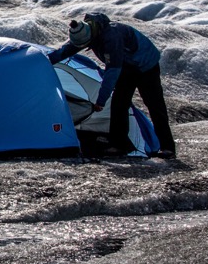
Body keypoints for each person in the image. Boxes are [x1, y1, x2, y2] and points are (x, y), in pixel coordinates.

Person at [48, 12, 176, 159]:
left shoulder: (112, 38)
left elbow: (112, 73)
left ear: (90, 37)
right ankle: (119, 145)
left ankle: (167, 147)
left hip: (146, 66)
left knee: (154, 105)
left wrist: (101, 100)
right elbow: (66, 50)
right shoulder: (86, 32)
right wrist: (45, 60)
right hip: (126, 66)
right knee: (119, 104)